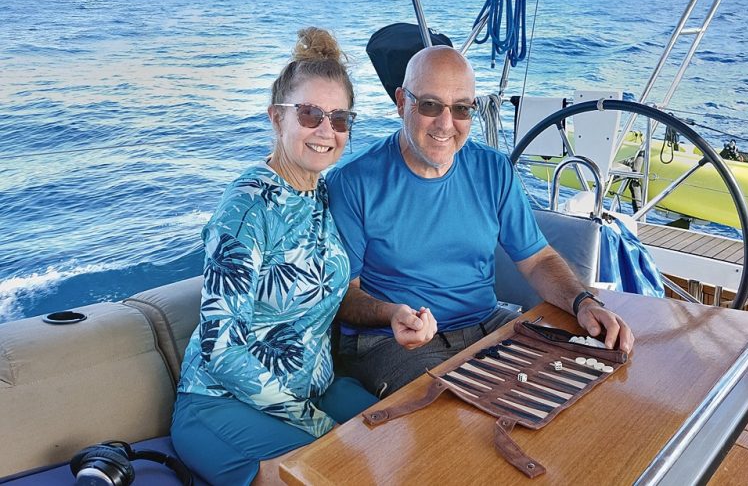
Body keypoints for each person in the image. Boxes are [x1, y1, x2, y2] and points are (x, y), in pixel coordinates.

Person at [327, 45, 634, 398]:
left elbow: (538, 260)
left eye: (461, 109)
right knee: (457, 418)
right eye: (430, 105)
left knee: (588, 370)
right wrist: (392, 313)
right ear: (401, 102)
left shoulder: (493, 169)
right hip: (391, 343)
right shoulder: (352, 182)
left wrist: (584, 304)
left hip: (486, 325)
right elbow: (344, 296)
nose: (446, 124)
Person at [171, 28, 377, 486]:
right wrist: (320, 427)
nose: (326, 130)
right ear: (276, 118)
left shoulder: (321, 191)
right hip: (220, 402)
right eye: (309, 113)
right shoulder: (246, 209)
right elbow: (221, 349)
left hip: (315, 391)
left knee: (408, 437)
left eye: (340, 118)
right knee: (331, 472)